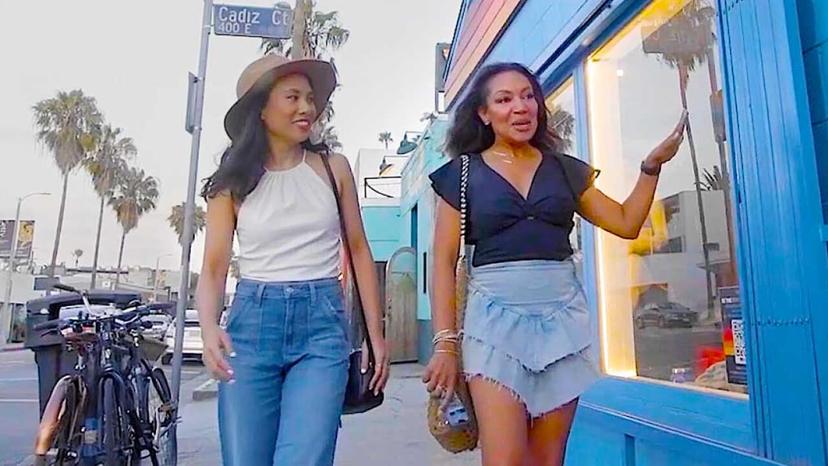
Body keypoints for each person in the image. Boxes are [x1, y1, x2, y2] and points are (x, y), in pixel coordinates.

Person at [423, 62, 687, 466]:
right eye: (504, 99)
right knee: (505, 459)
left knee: (548, 460)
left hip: (561, 319)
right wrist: (445, 344)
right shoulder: (462, 173)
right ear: (483, 113)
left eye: (528, 96)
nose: (520, 107)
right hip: (493, 322)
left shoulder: (564, 169)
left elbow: (625, 222)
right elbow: (442, 262)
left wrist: (651, 167)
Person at [196, 54, 390, 466]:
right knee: (245, 458)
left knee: (305, 456)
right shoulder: (231, 184)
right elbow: (214, 266)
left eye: (310, 98)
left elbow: (359, 249)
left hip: (321, 326)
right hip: (251, 326)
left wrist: (375, 334)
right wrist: (209, 326)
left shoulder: (333, 168)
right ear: (261, 110)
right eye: (293, 97)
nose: (307, 108)